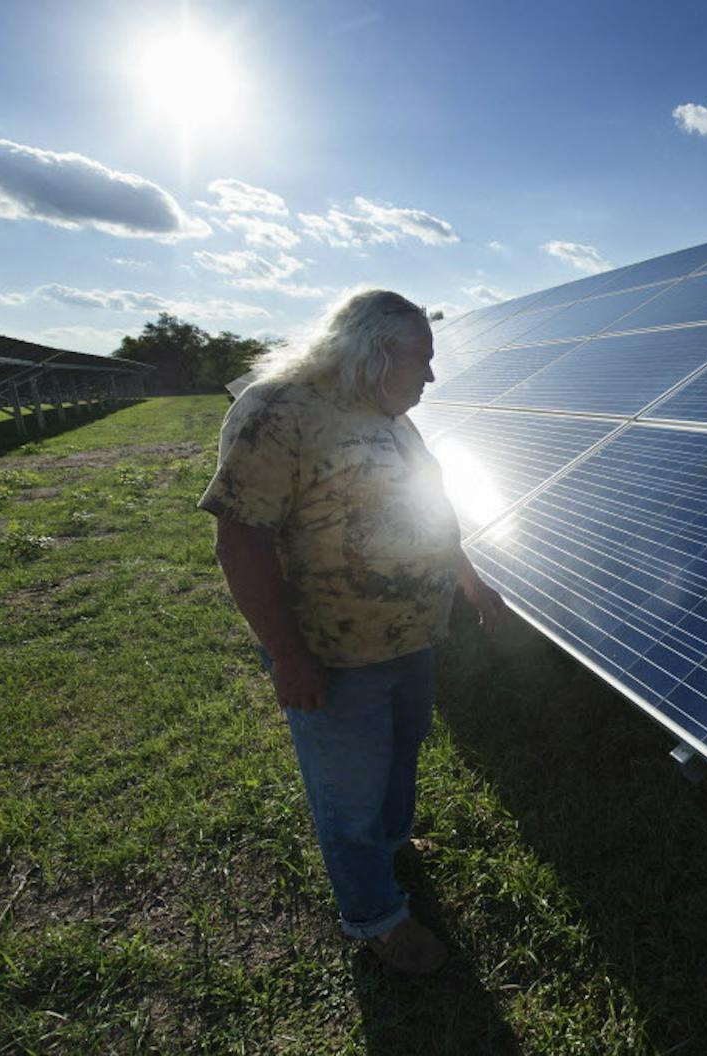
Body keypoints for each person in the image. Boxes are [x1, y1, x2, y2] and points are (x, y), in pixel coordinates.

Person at [199, 289, 504, 974]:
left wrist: (472, 582)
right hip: (334, 655)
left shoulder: (394, 420)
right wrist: (288, 656)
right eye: (420, 360)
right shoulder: (278, 410)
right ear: (371, 353)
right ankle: (376, 920)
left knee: (402, 753)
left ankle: (391, 849)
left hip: (413, 639)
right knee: (349, 789)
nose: (430, 377)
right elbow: (240, 541)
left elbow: (434, 511)